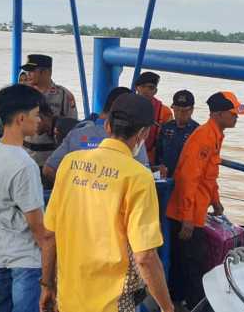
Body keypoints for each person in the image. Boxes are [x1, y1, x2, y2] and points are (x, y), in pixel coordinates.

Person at [43, 93, 174, 312]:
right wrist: (167, 307)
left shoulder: (69, 164)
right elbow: (145, 257)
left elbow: (49, 234)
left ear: (107, 126)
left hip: (67, 301)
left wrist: (46, 284)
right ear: (143, 133)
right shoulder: (138, 177)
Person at [165, 91, 244, 310]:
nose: (236, 117)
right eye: (233, 113)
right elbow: (188, 178)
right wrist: (187, 218)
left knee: (190, 262)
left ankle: (182, 302)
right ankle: (192, 305)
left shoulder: (214, 135)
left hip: (196, 211)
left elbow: (208, 176)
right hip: (187, 214)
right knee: (193, 265)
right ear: (219, 114)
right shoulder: (204, 137)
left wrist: (216, 201)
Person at [0, 85, 55, 312]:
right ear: (21, 118)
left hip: (3, 252)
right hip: (27, 260)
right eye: (36, 115)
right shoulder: (24, 165)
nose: (39, 121)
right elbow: (40, 232)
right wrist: (48, 282)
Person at [42, 87, 149, 187]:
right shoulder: (132, 140)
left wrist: (71, 189)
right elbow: (143, 178)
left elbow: (48, 169)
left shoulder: (76, 134)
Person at [22, 54, 78, 167]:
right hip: (24, 159)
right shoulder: (22, 93)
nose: (28, 74)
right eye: (27, 71)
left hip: (50, 161)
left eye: (32, 71)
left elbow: (73, 130)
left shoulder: (63, 96)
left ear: (46, 72)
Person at [154, 90, 199, 178]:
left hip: (186, 178)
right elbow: (158, 152)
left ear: (192, 110)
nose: (179, 114)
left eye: (184, 111)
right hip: (165, 177)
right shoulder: (166, 127)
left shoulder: (197, 131)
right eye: (176, 109)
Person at [135, 71, 173, 163]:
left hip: (150, 160)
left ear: (155, 91)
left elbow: (168, 142)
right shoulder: (125, 106)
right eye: (143, 86)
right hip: (127, 156)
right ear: (137, 88)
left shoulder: (165, 112)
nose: (146, 90)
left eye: (150, 88)